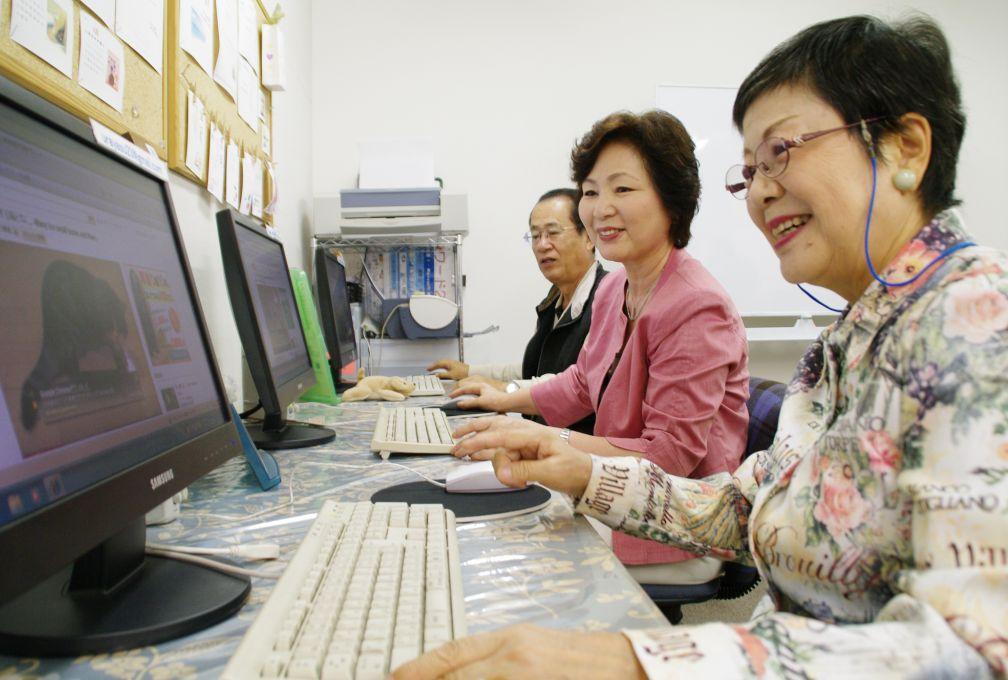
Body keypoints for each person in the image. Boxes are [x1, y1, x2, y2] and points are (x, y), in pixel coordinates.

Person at [393, 15, 1008, 679]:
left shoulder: (977, 327)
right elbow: (743, 507)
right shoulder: (851, 339)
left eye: (783, 152)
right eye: (749, 171)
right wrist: (577, 467)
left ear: (905, 149)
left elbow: (973, 652)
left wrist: (646, 661)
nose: (763, 190)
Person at [449, 110, 750, 586]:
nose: (600, 208)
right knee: (484, 531)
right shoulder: (616, 289)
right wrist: (504, 401)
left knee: (501, 560)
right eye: (591, 192)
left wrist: (553, 441)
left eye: (622, 189)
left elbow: (669, 456)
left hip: (673, 522)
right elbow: (583, 385)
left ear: (672, 198)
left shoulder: (697, 306)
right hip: (611, 496)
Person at [427, 189, 608, 433]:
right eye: (534, 236)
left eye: (553, 233)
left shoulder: (607, 298)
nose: (542, 245)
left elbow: (576, 384)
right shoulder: (553, 303)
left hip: (579, 451)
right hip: (545, 438)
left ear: (589, 237)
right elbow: (532, 371)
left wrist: (504, 390)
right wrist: (469, 371)